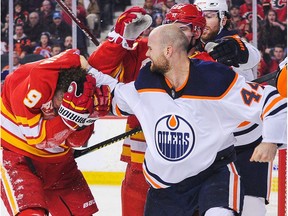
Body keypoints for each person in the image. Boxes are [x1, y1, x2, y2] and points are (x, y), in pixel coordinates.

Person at [90, 23, 286, 216]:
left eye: (150, 48)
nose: (147, 54)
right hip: (164, 185)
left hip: (213, 174)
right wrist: (85, 70)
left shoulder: (215, 79)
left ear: (168, 50)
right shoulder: (146, 81)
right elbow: (115, 92)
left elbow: (272, 101)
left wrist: (270, 140)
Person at [193, 0, 281, 215]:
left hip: (248, 141)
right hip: (212, 144)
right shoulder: (188, 48)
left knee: (253, 206)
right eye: (200, 16)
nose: (204, 21)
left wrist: (237, 49)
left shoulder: (231, 42)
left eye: (210, 15)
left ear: (223, 18)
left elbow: (249, 54)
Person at [1, 49, 111, 216]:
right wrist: (72, 120)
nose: (61, 110)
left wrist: (87, 119)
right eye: (61, 105)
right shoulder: (23, 83)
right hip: (17, 158)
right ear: (55, 88)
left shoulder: (81, 93)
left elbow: (76, 142)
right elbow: (37, 138)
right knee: (31, 213)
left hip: (60, 165)